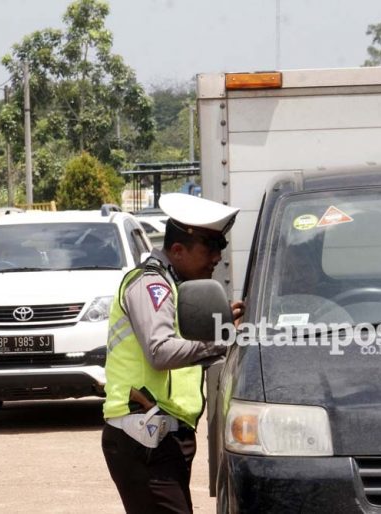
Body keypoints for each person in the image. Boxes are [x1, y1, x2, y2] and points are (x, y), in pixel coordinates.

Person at [101, 193, 243, 513]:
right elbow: (160, 351)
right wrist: (223, 340)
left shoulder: (175, 288)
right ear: (177, 250)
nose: (216, 258)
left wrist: (220, 324)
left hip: (161, 435)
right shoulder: (151, 284)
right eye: (209, 249)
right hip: (143, 434)